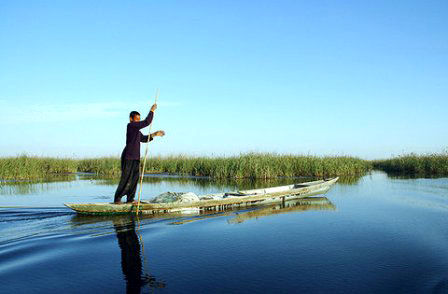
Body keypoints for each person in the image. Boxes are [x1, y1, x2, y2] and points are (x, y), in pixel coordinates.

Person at [114, 103, 165, 204]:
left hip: (136, 157)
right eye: (136, 119)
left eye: (139, 119)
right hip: (128, 156)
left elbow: (144, 139)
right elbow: (147, 122)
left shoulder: (137, 131)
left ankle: (130, 199)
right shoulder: (131, 126)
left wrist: (154, 134)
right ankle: (117, 199)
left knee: (134, 179)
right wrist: (152, 111)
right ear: (131, 119)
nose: (138, 121)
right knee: (126, 178)